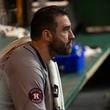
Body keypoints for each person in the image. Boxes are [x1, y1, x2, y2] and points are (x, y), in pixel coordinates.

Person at [0, 5, 75, 110]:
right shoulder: (26, 66)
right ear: (47, 35)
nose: (72, 36)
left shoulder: (41, 57)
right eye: (65, 30)